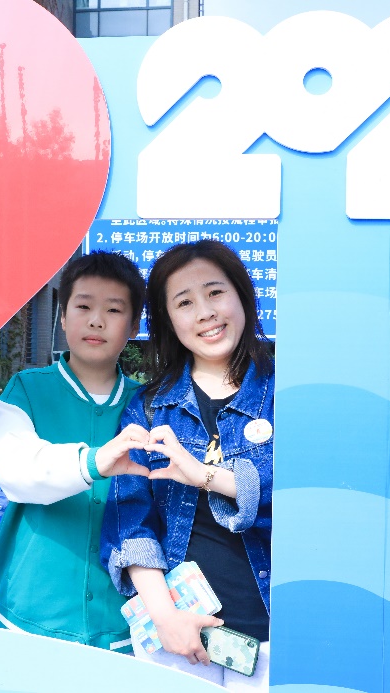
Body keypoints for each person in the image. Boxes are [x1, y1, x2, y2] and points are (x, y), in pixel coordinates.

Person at [100, 240, 274, 689]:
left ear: (242, 296)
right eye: (184, 302)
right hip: (178, 641)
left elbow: (312, 499)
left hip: (276, 636)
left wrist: (205, 476)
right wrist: (165, 618)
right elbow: (130, 523)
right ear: (168, 320)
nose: (205, 313)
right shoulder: (149, 407)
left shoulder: (287, 391)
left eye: (215, 293)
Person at [0, 251, 149, 653]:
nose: (96, 321)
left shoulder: (151, 404)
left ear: (134, 325)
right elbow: (13, 468)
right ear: (62, 317)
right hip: (34, 612)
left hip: (124, 622)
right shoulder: (26, 390)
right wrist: (93, 462)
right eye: (83, 306)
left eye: (114, 310)